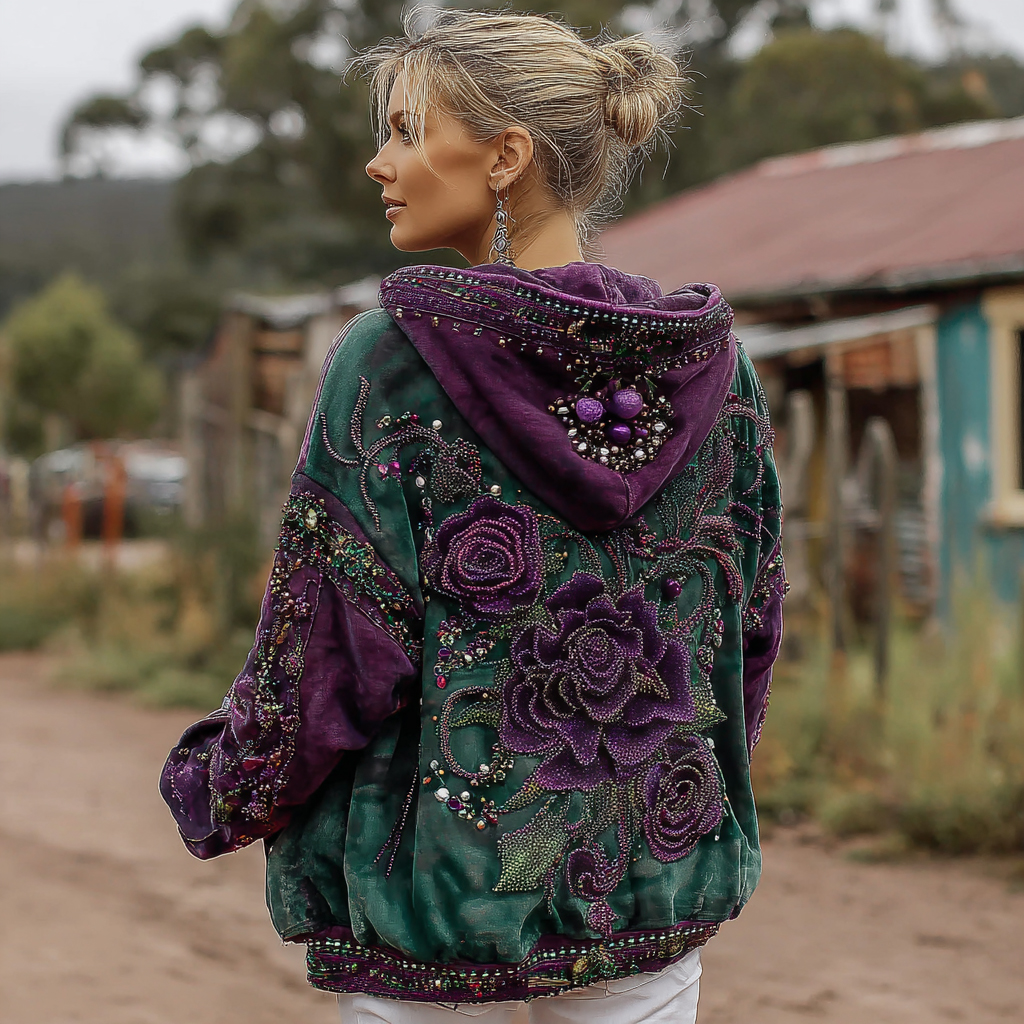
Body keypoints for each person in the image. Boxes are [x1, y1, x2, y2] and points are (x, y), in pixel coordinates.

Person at [160, 9, 786, 1023]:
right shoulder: (714, 368)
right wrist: (671, 806)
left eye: (408, 131)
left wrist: (222, 785)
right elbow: (744, 628)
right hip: (651, 882)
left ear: (505, 157)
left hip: (433, 901)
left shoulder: (392, 360)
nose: (379, 162)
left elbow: (327, 650)